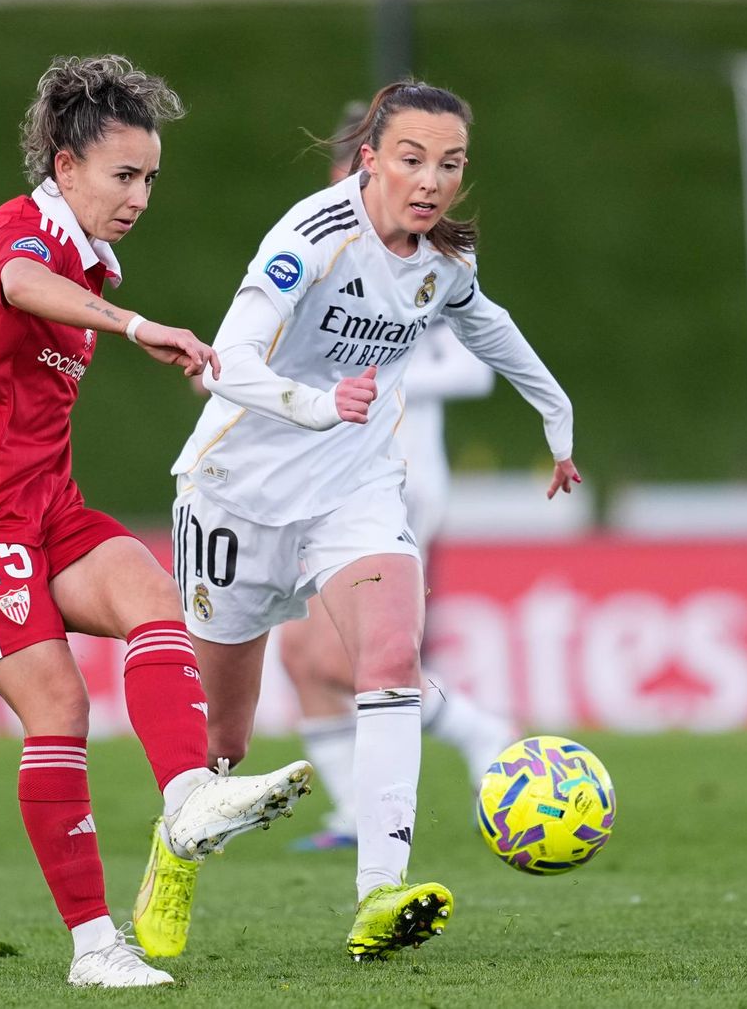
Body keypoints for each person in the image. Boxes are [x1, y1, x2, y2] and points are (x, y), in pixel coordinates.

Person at [0, 55, 311, 990]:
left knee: (156, 599)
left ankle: (188, 799)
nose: (140, 196)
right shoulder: (23, 232)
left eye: (150, 177)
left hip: (44, 504)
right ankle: (94, 947)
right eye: (124, 174)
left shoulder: (80, 256)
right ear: (66, 166)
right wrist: (133, 324)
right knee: (61, 708)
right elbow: (16, 284)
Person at [134, 79, 579, 963]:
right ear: (369, 158)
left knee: (389, 658)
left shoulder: (442, 261)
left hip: (356, 490)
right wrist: (317, 403)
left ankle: (379, 892)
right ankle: (174, 852)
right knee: (222, 742)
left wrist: (557, 416)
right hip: (237, 495)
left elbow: (489, 326)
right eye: (412, 159)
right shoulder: (313, 236)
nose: (432, 181)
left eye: (450, 163)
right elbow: (226, 363)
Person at [277, 104, 513, 853]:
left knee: (341, 657)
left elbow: (473, 366)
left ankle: (483, 734)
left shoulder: (424, 255)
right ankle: (353, 815)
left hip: (394, 479)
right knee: (302, 658)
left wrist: (374, 365)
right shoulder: (326, 247)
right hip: (320, 481)